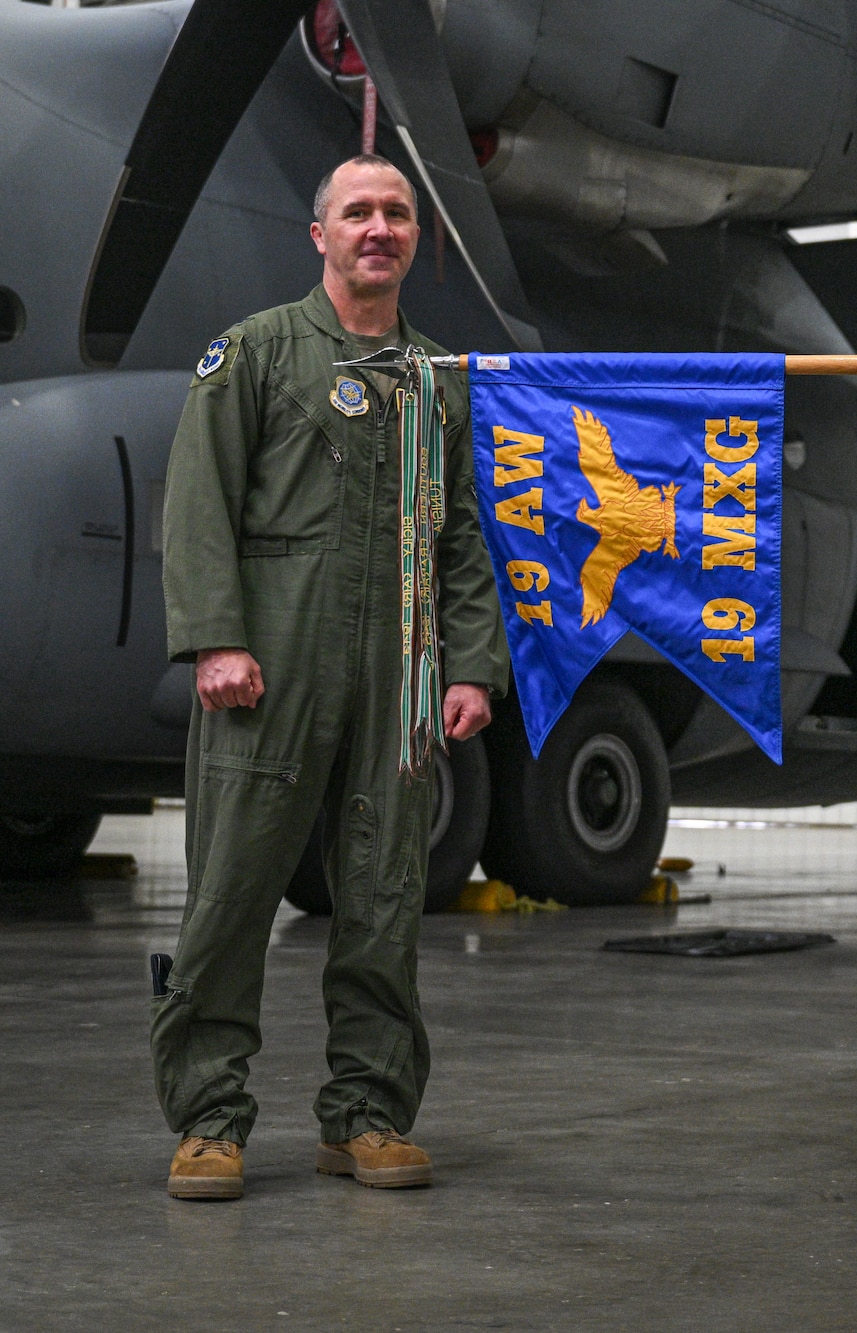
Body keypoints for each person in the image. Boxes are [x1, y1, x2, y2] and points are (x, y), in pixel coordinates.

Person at [154, 154, 508, 1200]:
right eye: (358, 211)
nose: (379, 228)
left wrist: (471, 662)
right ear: (321, 236)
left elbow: (459, 539)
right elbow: (198, 505)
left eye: (397, 213)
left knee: (385, 902)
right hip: (270, 668)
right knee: (229, 897)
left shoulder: (435, 381)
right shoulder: (253, 354)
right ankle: (209, 1120)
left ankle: (366, 1115)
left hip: (399, 680)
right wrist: (216, 639)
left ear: (413, 240)